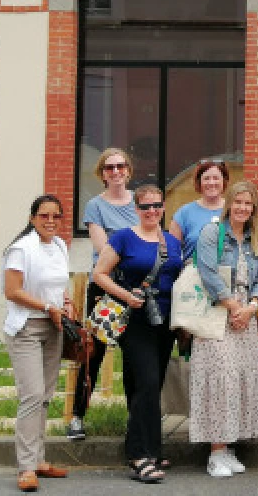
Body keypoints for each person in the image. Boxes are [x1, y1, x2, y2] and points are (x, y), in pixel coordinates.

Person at [92, 183, 181, 484]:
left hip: (164, 320)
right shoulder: (123, 238)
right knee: (147, 381)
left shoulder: (171, 241)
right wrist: (126, 296)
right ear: (136, 209)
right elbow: (99, 274)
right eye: (145, 207)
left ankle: (150, 448)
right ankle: (139, 456)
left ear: (163, 208)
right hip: (135, 320)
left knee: (147, 387)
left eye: (157, 206)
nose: (152, 211)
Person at [190, 181, 258, 478]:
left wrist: (251, 307)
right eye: (238, 202)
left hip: (245, 317)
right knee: (220, 380)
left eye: (248, 204)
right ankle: (216, 451)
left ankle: (229, 446)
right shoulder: (213, 232)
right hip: (217, 313)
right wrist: (235, 307)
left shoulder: (255, 238)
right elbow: (208, 273)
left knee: (239, 380)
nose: (243, 208)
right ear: (229, 204)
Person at [2, 195, 73, 493]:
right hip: (26, 328)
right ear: (32, 219)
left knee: (44, 396)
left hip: (54, 327)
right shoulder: (21, 249)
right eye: (44, 216)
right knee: (31, 396)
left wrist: (66, 303)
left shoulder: (59, 246)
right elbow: (12, 291)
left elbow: (59, 286)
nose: (50, 221)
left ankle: (39, 460)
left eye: (56, 216)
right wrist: (47, 307)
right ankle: (26, 468)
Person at [69, 147, 138, 441]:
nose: (116, 172)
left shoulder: (141, 202)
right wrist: (135, 250)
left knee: (135, 354)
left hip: (136, 287)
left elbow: (152, 236)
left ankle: (136, 419)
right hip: (106, 287)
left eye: (120, 166)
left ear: (128, 170)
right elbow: (102, 248)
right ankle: (77, 417)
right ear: (102, 174)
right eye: (109, 168)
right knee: (93, 352)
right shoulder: (95, 206)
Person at [170, 159, 229, 261]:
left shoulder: (234, 210)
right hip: (193, 273)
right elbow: (172, 254)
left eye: (216, 178)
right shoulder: (184, 213)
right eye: (206, 178)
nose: (211, 183)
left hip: (228, 274)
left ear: (224, 181)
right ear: (199, 182)